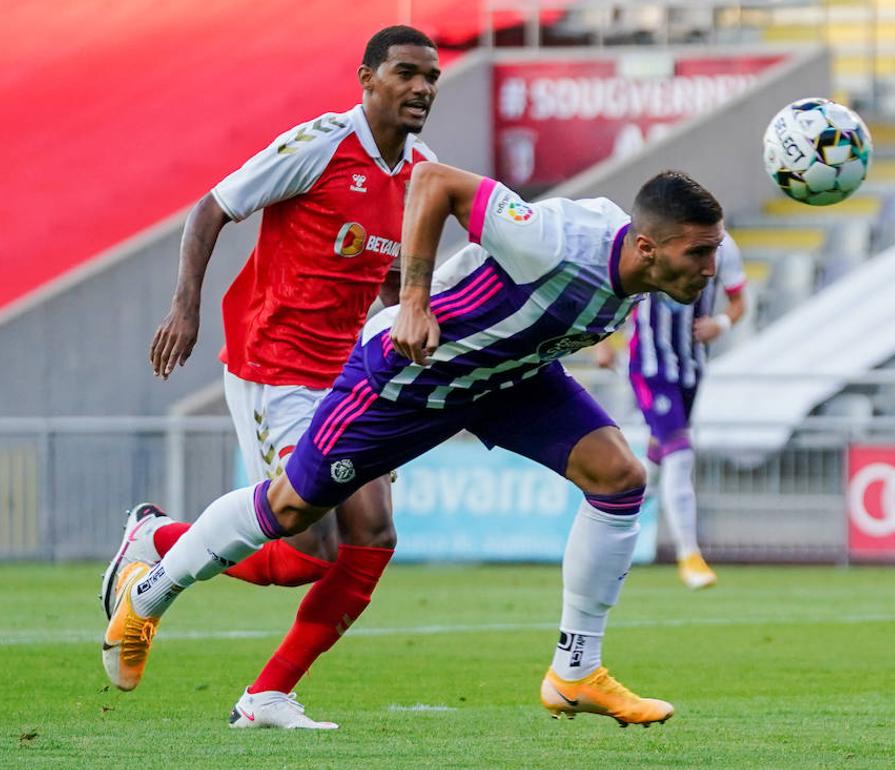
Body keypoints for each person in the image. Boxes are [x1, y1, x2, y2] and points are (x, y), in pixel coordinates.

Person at [102, 162, 724, 730]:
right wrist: (413, 304)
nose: (710, 268)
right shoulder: (554, 240)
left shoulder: (643, 267)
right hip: (408, 377)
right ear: (647, 246)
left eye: (713, 252)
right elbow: (433, 183)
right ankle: (150, 592)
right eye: (699, 252)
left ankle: (576, 672)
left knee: (619, 478)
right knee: (292, 511)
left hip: (507, 379)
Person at [99, 25, 441, 728]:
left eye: (430, 77)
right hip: (274, 364)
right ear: (366, 78)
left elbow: (384, 279)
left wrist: (403, 334)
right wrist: (185, 305)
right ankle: (156, 547)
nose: (421, 88)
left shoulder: (422, 172)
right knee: (305, 547)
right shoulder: (320, 144)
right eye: (405, 72)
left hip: (347, 376)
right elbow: (214, 206)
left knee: (371, 536)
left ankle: (267, 696)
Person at [596, 234, 747, 589]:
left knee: (654, 467)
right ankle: (689, 555)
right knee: (680, 454)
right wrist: (604, 342)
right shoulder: (653, 242)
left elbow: (740, 302)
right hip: (649, 367)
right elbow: (612, 290)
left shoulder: (725, 249)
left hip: (691, 370)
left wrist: (720, 324)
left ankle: (601, 530)